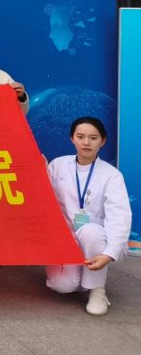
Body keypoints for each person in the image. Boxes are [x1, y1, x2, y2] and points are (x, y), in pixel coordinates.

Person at [46, 117, 131, 316]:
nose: (86, 142)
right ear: (72, 139)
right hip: (66, 238)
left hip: (97, 239)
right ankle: (83, 277)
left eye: (93, 138)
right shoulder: (58, 165)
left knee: (90, 232)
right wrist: (39, 172)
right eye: (80, 137)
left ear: (103, 141)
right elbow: (45, 199)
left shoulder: (111, 175)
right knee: (62, 286)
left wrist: (109, 254)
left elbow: (119, 216)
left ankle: (97, 290)